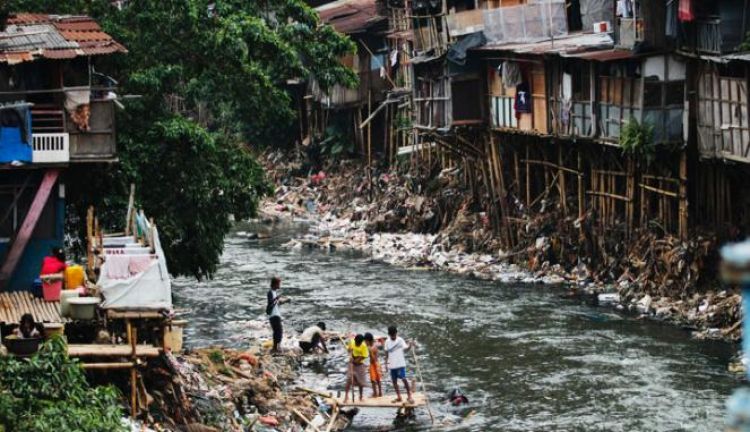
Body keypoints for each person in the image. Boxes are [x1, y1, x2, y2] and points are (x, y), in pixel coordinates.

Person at [384, 326, 413, 404]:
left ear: (396, 333)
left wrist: (410, 345)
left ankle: (409, 395)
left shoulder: (400, 340)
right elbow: (386, 353)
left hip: (400, 364)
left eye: (394, 335)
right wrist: (386, 364)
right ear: (389, 334)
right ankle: (399, 396)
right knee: (394, 381)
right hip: (392, 365)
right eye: (391, 335)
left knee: (404, 379)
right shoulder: (387, 342)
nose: (393, 336)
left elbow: (406, 349)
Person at [344, 334, 369, 403]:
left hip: (359, 364)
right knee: (349, 379)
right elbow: (349, 350)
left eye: (359, 343)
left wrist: (355, 361)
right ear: (355, 341)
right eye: (357, 343)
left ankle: (360, 396)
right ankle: (346, 396)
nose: (357, 344)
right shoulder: (352, 342)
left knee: (360, 381)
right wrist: (350, 354)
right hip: (351, 363)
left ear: (361, 342)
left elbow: (364, 356)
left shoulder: (364, 346)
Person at [266, 277, 288, 353]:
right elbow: (270, 302)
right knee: (278, 331)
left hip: (276, 314)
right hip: (273, 315)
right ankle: (275, 348)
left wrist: (286, 301)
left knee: (279, 331)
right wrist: (276, 298)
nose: (279, 285)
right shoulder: (270, 292)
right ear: (275, 284)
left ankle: (276, 347)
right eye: (279, 283)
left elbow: (277, 303)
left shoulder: (274, 292)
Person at [365, 332, 382, 398]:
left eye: (366, 341)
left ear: (368, 340)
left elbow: (373, 359)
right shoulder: (374, 346)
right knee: (378, 379)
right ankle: (380, 393)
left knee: (373, 380)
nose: (365, 343)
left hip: (374, 364)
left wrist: (370, 351)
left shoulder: (372, 348)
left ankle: (375, 393)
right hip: (377, 364)